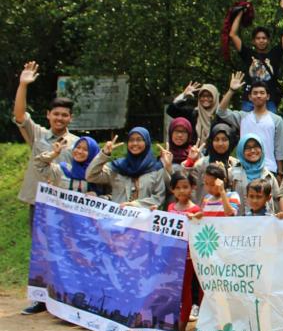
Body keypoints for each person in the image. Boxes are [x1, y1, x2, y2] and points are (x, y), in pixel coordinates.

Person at [13, 62, 78, 237]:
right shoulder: (37, 135)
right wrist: (23, 84)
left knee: (64, 250)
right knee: (40, 249)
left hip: (65, 204)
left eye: (65, 115)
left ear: (70, 118)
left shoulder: (78, 144)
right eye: (56, 114)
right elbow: (20, 115)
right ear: (48, 115)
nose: (60, 118)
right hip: (39, 202)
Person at [228, 0, 283, 111]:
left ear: (268, 40)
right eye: (258, 38)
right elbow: (233, 35)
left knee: (270, 127)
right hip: (249, 100)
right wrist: (240, 13)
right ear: (253, 41)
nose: (261, 40)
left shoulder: (275, 54)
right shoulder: (248, 54)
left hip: (269, 100)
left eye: (264, 38)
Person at [218, 75, 283, 178]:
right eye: (255, 93)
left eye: (262, 93)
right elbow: (221, 112)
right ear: (250, 97)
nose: (258, 95)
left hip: (268, 169)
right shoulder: (242, 117)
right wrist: (231, 90)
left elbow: (279, 148)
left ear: (267, 96)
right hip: (244, 169)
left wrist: (280, 172)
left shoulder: (277, 120)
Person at [86, 128, 167, 210]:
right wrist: (104, 154)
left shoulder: (156, 168)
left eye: (139, 140)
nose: (134, 143)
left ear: (146, 142)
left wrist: (136, 205)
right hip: (117, 218)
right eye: (131, 140)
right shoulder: (117, 166)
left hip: (143, 220)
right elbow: (91, 176)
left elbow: (159, 197)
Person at [167, 171, 200, 331]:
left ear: (192, 188)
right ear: (172, 190)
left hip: (187, 258)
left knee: (185, 291)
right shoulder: (170, 208)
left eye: (185, 187)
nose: (181, 191)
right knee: (172, 291)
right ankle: (170, 324)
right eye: (178, 188)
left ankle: (182, 329)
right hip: (171, 256)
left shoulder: (196, 210)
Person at [180, 123, 237, 203]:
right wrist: (190, 162)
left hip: (229, 211)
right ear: (211, 141)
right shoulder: (201, 164)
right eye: (216, 139)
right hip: (205, 211)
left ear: (230, 141)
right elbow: (187, 185)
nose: (220, 143)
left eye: (224, 139)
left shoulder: (236, 164)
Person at [230, 133, 281, 216]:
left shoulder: (269, 176)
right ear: (241, 151)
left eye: (256, 146)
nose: (253, 150)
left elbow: (277, 204)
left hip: (265, 225)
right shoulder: (232, 173)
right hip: (238, 225)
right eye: (247, 148)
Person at [166, 82, 233, 144]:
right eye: (202, 96)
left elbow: (231, 136)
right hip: (194, 153)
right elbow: (171, 110)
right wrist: (184, 94)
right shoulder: (193, 113)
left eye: (209, 96)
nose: (205, 99)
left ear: (215, 97)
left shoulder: (222, 115)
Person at [35, 137, 102, 195]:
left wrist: (97, 196)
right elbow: (39, 164)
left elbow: (110, 195)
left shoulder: (99, 175)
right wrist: (54, 153)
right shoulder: (62, 170)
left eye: (85, 149)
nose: (80, 151)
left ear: (93, 153)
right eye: (78, 147)